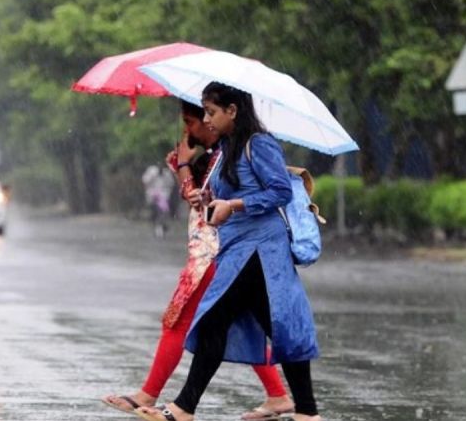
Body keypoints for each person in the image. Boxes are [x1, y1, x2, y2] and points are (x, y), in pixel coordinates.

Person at [136, 84, 322, 421]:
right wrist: (206, 201)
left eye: (211, 112)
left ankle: (182, 408)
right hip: (237, 250)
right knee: (277, 328)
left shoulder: (258, 144)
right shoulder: (225, 149)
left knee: (214, 322)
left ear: (233, 111)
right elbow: (227, 193)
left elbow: (279, 191)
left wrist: (234, 205)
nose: (206, 119)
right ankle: (306, 412)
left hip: (259, 253)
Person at [103, 100, 295, 420]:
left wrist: (183, 168)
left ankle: (158, 398)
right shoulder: (218, 154)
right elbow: (199, 199)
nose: (190, 129)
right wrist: (182, 167)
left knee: (182, 321)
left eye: (196, 119)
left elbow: (210, 206)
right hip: (220, 252)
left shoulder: (232, 153)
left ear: (219, 117)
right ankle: (279, 396)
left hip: (214, 254)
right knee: (238, 324)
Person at [142, 162, 175, 237]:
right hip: (152, 194)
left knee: (163, 211)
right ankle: (156, 224)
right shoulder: (151, 171)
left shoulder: (167, 173)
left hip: (163, 195)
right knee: (154, 211)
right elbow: (145, 181)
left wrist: (167, 193)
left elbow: (171, 184)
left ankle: (161, 225)